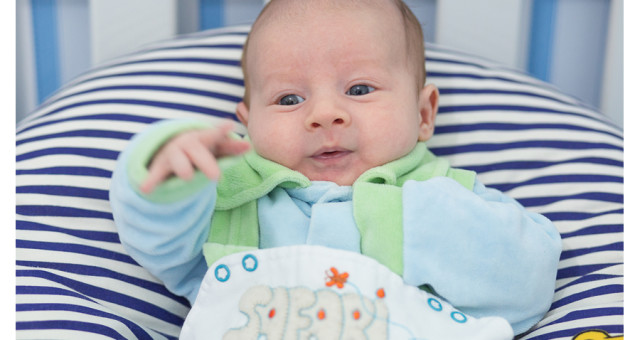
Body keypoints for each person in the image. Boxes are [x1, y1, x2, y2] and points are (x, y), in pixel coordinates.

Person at [109, 0, 562, 335]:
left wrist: (408, 223)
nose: (324, 114)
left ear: (424, 115)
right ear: (248, 126)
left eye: (360, 89)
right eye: (289, 99)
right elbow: (160, 248)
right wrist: (169, 179)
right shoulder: (234, 198)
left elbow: (527, 285)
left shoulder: (447, 195)